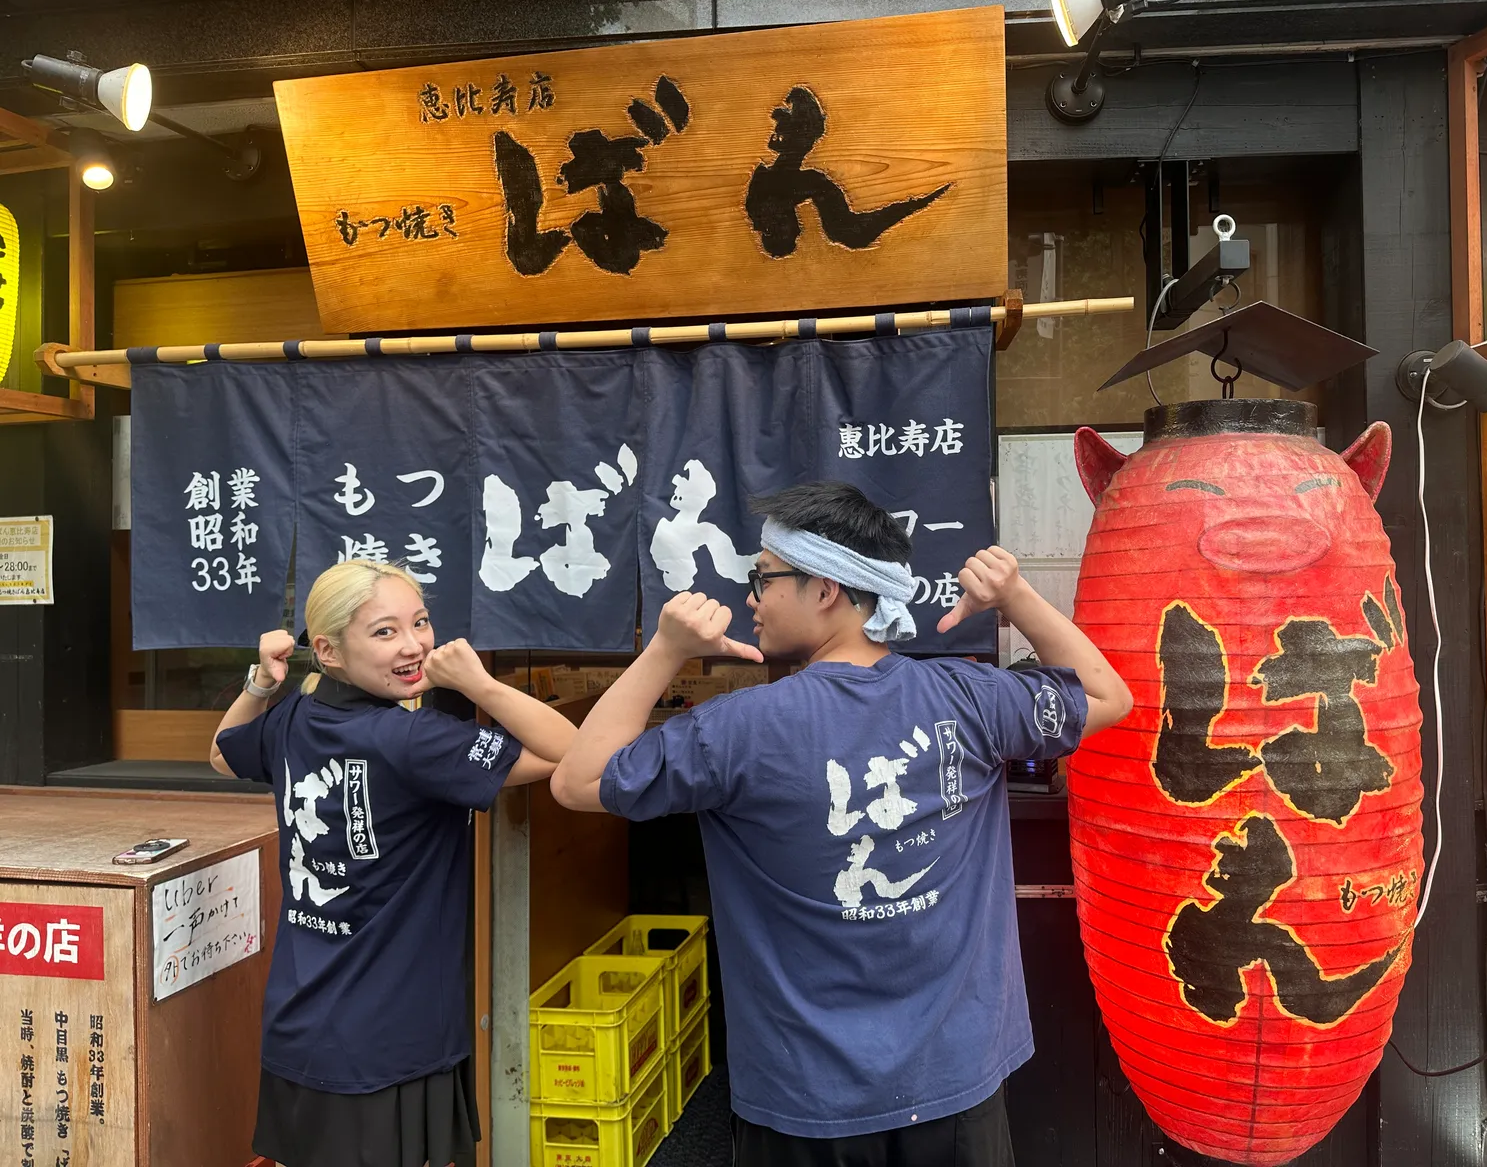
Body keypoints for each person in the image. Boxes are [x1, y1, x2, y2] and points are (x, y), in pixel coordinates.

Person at [552, 481, 1133, 1166]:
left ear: (824, 589)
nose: (751, 598)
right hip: (955, 1082)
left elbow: (576, 781)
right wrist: (1016, 595)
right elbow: (1107, 695)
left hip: (806, 1097)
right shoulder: (967, 697)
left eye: (763, 578)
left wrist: (665, 649)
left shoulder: (736, 729)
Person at [209, 559, 577, 1167]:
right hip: (393, 1038)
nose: (413, 646)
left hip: (303, 1028)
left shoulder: (296, 719)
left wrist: (261, 683)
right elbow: (570, 753)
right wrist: (479, 685)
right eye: (385, 632)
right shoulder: (416, 740)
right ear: (326, 650)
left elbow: (224, 755)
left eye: (421, 622)